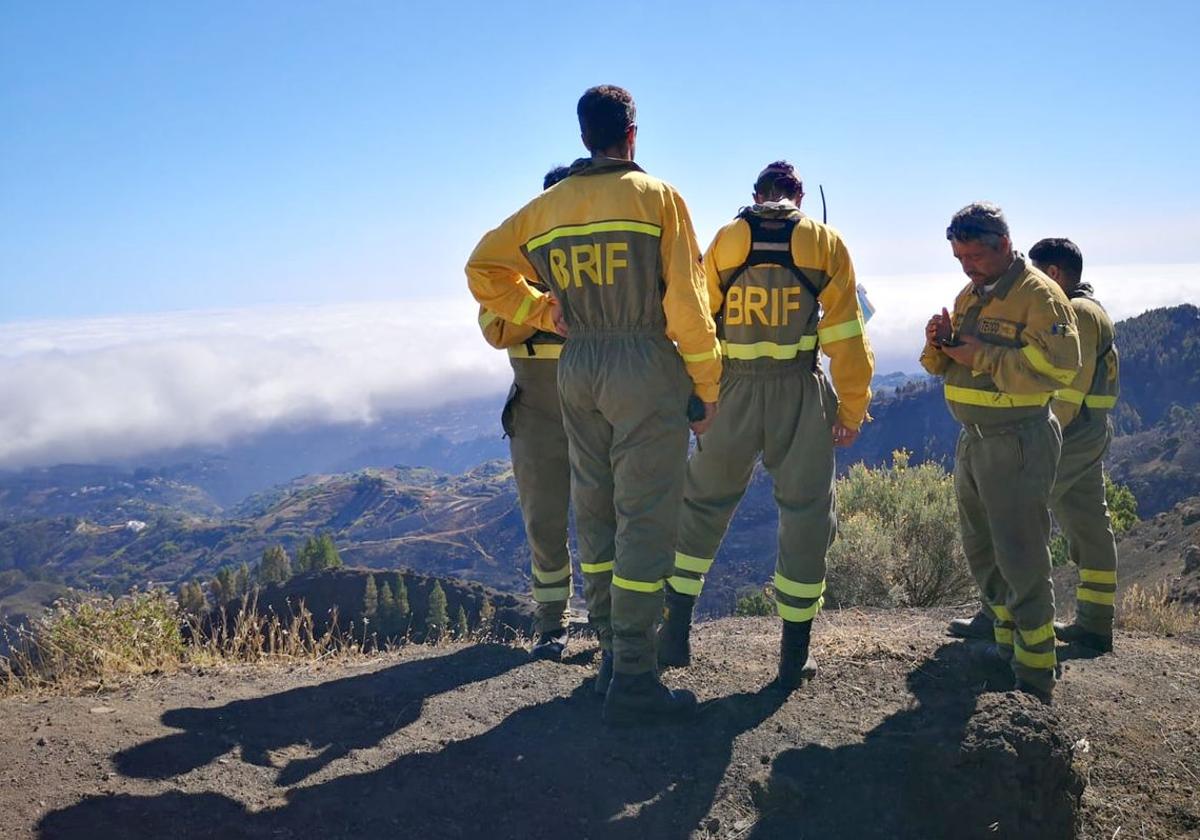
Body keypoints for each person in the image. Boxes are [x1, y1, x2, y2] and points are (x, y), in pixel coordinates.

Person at [465, 85, 722, 725]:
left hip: (576, 369)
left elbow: (481, 269)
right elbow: (687, 308)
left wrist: (541, 311)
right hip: (641, 361)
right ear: (631, 134)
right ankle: (635, 673)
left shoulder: (546, 208)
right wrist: (707, 389)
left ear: (584, 136)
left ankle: (609, 647)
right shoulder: (658, 198)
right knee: (647, 514)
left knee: (597, 506)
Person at [657, 161, 875, 690]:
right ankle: (792, 654)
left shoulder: (728, 239)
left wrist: (697, 394)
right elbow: (847, 336)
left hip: (731, 390)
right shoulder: (825, 243)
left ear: (755, 194)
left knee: (702, 502)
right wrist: (851, 410)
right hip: (799, 392)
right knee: (805, 512)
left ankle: (675, 633)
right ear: (798, 196)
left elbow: (695, 318)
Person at [921, 202, 1080, 703]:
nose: (967, 267)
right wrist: (939, 344)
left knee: (1021, 554)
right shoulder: (971, 293)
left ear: (1005, 246)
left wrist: (980, 355)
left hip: (1017, 439)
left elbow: (1060, 369)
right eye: (959, 257)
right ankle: (1004, 640)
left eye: (974, 256)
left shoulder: (1040, 296)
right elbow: (945, 366)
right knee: (982, 547)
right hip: (975, 441)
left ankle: (1035, 675)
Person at [948, 237, 1120, 653]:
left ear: (1055, 275)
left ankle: (1000, 617)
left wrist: (1034, 437)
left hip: (1067, 435)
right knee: (1088, 523)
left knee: (1013, 524)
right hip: (1092, 433)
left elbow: (1064, 391)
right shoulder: (1093, 309)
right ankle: (1096, 623)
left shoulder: (1074, 312)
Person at [476, 165, 574, 660]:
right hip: (535, 409)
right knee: (544, 519)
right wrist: (545, 306)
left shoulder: (595, 259)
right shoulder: (514, 266)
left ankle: (614, 623)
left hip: (597, 399)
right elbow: (493, 329)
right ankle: (552, 624)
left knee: (615, 516)